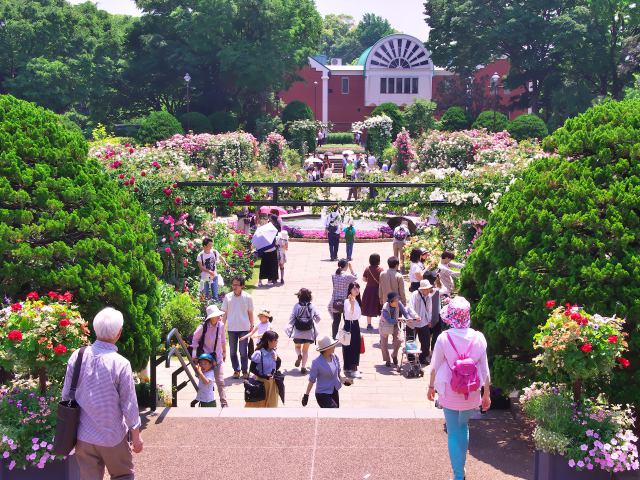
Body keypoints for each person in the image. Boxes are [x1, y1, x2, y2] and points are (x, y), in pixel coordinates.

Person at [61, 307, 142, 480]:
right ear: (118, 333)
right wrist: (136, 436)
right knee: (123, 475)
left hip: (84, 435)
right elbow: (129, 404)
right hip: (113, 435)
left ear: (95, 329)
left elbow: (66, 395)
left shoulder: (78, 355)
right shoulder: (121, 363)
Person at [427, 296, 491, 480]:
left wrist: (431, 387)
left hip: (449, 390)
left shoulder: (444, 338)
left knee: (453, 431)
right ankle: (460, 469)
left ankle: (458, 474)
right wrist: (486, 393)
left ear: (451, 318)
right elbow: (485, 370)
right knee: (463, 427)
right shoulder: (479, 337)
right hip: (471, 391)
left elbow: (434, 366)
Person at [191, 304, 228, 407]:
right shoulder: (202, 327)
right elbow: (195, 340)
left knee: (220, 381)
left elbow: (223, 340)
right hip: (206, 360)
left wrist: (224, 352)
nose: (219, 317)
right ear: (211, 317)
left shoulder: (220, 325)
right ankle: (203, 401)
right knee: (205, 382)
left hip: (218, 358)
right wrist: (195, 355)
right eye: (216, 315)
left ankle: (224, 403)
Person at [302, 336, 353, 408]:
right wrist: (306, 395)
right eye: (332, 345)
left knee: (335, 414)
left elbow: (339, 373)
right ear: (326, 349)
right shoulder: (316, 362)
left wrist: (345, 380)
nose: (334, 346)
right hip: (322, 394)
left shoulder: (335, 357)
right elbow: (311, 380)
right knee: (333, 410)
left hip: (334, 391)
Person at [221, 276, 254, 379]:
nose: (234, 287)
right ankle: (236, 370)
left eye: (236, 285)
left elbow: (250, 313)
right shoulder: (228, 297)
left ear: (242, 286)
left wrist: (252, 325)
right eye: (233, 284)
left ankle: (244, 370)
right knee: (232, 352)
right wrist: (222, 325)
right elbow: (224, 313)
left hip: (244, 328)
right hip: (232, 329)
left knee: (243, 351)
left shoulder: (248, 297)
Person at [285, 288, 321, 374]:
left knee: (297, 347)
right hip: (309, 332)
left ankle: (298, 355)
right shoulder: (312, 306)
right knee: (305, 350)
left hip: (298, 332)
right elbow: (319, 318)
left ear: (299, 296)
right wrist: (312, 322)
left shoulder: (296, 306)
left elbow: (292, 318)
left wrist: (290, 327)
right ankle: (303, 367)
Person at [379, 292, 416, 367]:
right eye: (395, 300)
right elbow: (389, 320)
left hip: (395, 325)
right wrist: (398, 319)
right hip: (384, 325)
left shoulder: (398, 303)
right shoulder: (385, 308)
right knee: (383, 344)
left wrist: (408, 318)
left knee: (399, 340)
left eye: (397, 299)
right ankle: (387, 359)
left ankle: (394, 355)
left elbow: (405, 312)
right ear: (390, 302)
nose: (397, 301)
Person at [246, 331, 281, 408]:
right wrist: (264, 376)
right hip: (261, 383)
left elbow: (276, 367)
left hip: (272, 384)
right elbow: (252, 369)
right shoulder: (259, 353)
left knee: (272, 406)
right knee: (260, 407)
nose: (277, 342)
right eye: (275, 340)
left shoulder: (274, 352)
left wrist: (277, 359)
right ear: (269, 341)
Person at [407, 279, 436, 365]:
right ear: (422, 289)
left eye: (428, 288)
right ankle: (411, 358)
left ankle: (423, 357)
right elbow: (410, 307)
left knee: (426, 341)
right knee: (411, 340)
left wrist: (429, 320)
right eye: (426, 289)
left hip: (423, 321)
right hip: (412, 321)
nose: (428, 290)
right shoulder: (415, 295)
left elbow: (429, 310)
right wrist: (415, 316)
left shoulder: (429, 297)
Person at [328, 259, 358, 339]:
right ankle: (346, 337)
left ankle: (334, 337)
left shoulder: (333, 275)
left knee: (336, 321)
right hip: (344, 302)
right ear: (346, 266)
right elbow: (355, 277)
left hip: (335, 301)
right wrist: (351, 269)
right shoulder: (346, 276)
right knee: (346, 320)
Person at [197, 237, 229, 303]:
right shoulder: (200, 255)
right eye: (210, 245)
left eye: (212, 245)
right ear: (204, 246)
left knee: (215, 295)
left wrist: (225, 263)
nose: (211, 246)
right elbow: (200, 267)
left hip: (214, 276)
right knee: (204, 295)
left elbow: (220, 258)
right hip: (205, 277)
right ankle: (205, 309)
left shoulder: (214, 252)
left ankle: (216, 310)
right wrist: (209, 271)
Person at [342, 282, 363, 378]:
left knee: (355, 346)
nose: (356, 290)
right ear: (350, 290)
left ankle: (351, 367)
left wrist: (354, 302)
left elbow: (357, 315)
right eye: (354, 288)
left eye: (357, 288)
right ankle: (351, 368)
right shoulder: (347, 301)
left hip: (355, 324)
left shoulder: (357, 300)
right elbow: (350, 314)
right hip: (349, 325)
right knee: (350, 347)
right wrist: (352, 304)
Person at [361, 254, 383, 330]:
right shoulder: (381, 270)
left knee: (369, 306)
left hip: (369, 290)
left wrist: (369, 281)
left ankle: (369, 324)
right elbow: (382, 281)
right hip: (378, 290)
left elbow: (364, 279)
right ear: (378, 260)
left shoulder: (368, 269)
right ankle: (382, 323)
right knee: (380, 306)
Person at [258, 215, 280, 286]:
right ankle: (269, 281)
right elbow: (276, 242)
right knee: (271, 266)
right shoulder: (273, 231)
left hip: (265, 251)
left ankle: (260, 281)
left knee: (263, 266)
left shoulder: (263, 232)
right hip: (272, 251)